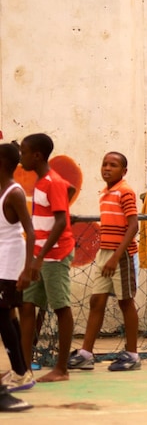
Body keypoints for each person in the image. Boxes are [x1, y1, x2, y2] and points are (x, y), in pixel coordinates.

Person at [67, 152, 142, 372]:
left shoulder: (125, 192)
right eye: (104, 164)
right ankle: (86, 354)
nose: (107, 168)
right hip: (105, 254)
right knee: (96, 301)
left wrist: (116, 257)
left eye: (113, 165)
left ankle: (133, 355)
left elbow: (133, 226)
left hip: (122, 255)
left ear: (124, 171)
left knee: (125, 302)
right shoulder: (104, 193)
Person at [17, 133, 75, 383]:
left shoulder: (52, 181)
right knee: (28, 307)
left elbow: (61, 221)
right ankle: (23, 368)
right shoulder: (42, 183)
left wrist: (39, 258)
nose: (21, 158)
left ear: (37, 155)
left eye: (24, 152)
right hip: (39, 255)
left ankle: (61, 369)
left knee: (61, 307)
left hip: (54, 255)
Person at [0, 143, 36, 392]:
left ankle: (21, 373)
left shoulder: (15, 192)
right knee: (7, 316)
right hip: (1, 262)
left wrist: (27, 269)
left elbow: (30, 231)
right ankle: (19, 370)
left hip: (10, 263)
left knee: (2, 317)